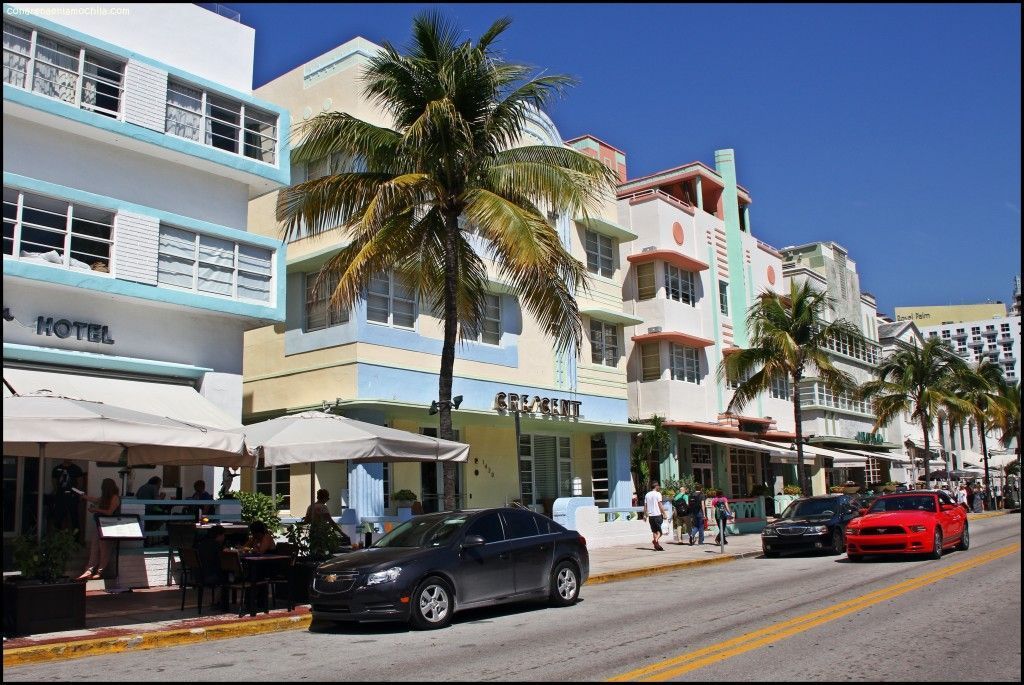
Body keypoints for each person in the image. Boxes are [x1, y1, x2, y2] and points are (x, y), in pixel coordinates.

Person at [77, 478, 121, 580]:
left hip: (109, 527)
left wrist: (95, 509)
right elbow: (95, 499)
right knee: (95, 547)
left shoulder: (114, 498)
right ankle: (89, 570)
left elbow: (110, 512)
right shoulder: (106, 497)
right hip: (100, 525)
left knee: (104, 549)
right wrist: (84, 496)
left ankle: (99, 571)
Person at [50, 458, 84, 534]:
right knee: (59, 516)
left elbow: (80, 484)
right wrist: (57, 491)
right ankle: (58, 536)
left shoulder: (76, 469)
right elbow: (54, 482)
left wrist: (77, 494)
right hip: (60, 496)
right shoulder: (56, 469)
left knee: (74, 517)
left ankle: (76, 538)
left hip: (72, 496)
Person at [644, 482, 665, 551]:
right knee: (661, 531)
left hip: (651, 516)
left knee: (654, 531)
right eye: (658, 486)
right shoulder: (658, 494)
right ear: (656, 486)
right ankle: (655, 540)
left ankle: (656, 545)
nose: (659, 487)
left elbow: (645, 506)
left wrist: (644, 514)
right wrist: (664, 513)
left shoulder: (647, 494)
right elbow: (660, 504)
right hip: (657, 515)